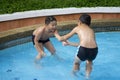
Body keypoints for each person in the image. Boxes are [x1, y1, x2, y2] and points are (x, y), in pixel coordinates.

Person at [54, 14, 98, 79]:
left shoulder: (77, 28)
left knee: (76, 63)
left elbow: (62, 39)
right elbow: (82, 44)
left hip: (84, 49)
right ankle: (87, 77)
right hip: (94, 50)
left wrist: (56, 34)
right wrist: (69, 43)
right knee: (89, 62)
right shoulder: (91, 31)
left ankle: (73, 76)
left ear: (79, 22)